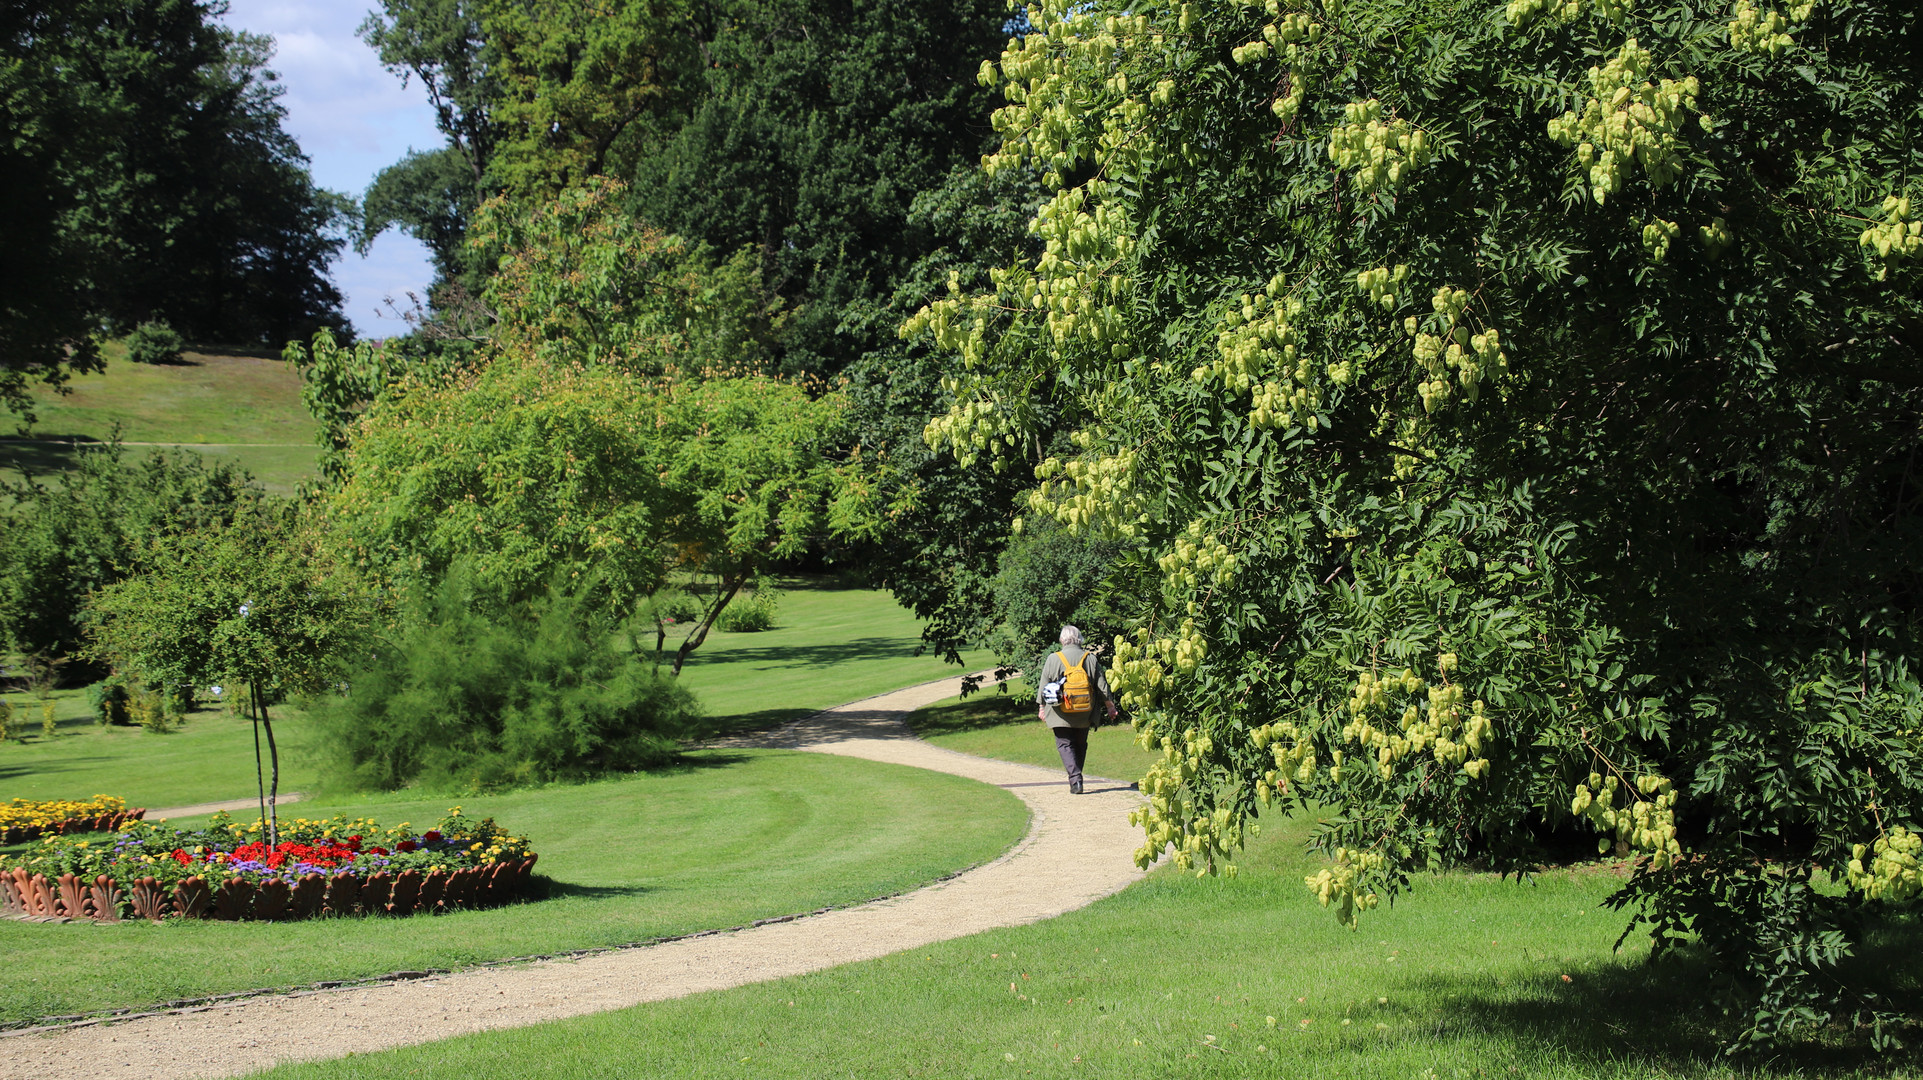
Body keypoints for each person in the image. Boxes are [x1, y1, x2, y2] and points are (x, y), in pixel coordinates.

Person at [1036, 624, 1118, 794]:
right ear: (1079, 639)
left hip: (1059, 712)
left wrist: (1041, 708)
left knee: (1064, 744)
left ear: (1062, 640)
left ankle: (1076, 779)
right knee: (1080, 744)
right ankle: (1076, 777)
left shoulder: (1053, 658)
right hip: (1084, 711)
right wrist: (1110, 706)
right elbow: (1101, 686)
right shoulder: (1090, 658)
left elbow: (1043, 686)